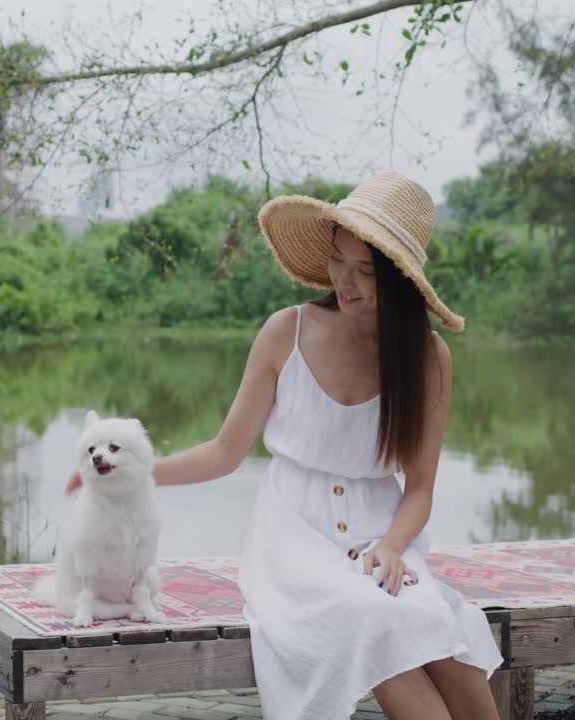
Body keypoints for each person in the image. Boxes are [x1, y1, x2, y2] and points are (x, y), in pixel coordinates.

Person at [68, 171, 502, 719]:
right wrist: (131, 475)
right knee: (373, 618)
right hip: (295, 540)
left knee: (437, 627)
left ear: (399, 279)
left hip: (382, 535)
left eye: (366, 270)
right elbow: (225, 451)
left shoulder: (428, 357)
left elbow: (419, 489)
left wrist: (393, 545)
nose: (344, 280)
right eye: (337, 259)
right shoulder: (287, 332)